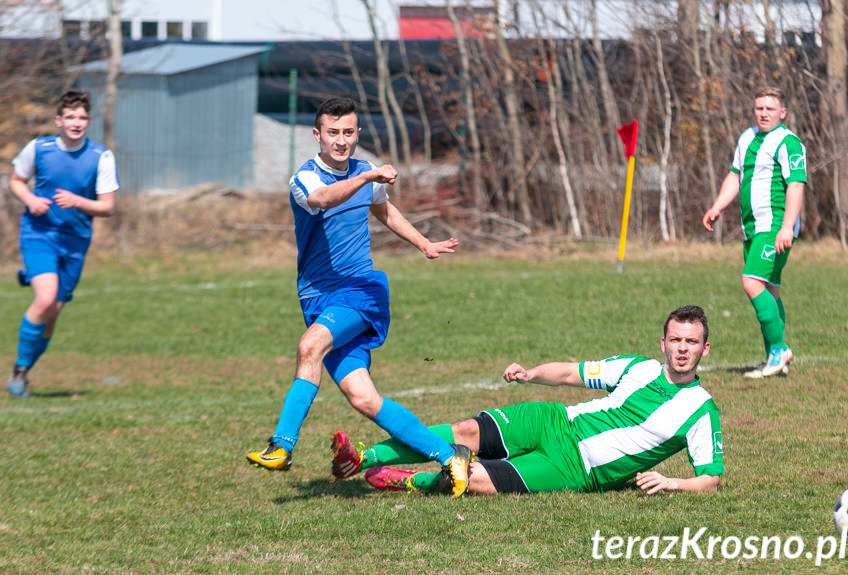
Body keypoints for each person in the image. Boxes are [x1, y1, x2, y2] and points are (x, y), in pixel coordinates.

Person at [245, 97, 473, 497]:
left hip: (360, 292)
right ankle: (449, 457)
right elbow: (325, 199)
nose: (341, 140)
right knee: (364, 398)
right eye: (333, 133)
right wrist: (367, 179)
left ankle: (281, 447)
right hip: (318, 297)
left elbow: (385, 211)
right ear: (317, 135)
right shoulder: (306, 179)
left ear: (357, 134)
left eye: (348, 132)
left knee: (309, 346)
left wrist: (424, 243)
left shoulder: (365, 173)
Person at [329, 305, 724, 496]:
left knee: (471, 479)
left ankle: (412, 480)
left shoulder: (701, 409)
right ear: (664, 342)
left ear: (704, 349)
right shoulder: (637, 367)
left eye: (691, 342)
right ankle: (364, 457)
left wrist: (670, 482)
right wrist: (532, 373)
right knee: (466, 431)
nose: (682, 349)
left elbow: (711, 478)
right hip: (553, 420)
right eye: (676, 340)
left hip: (573, 468)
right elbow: (572, 372)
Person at [6, 90, 119, 398]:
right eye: (70, 116)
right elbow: (16, 180)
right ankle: (16, 371)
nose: (76, 122)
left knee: (52, 311)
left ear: (89, 121)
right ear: (58, 120)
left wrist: (78, 201)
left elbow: (107, 207)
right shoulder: (38, 148)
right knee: (44, 300)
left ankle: (24, 369)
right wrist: (30, 199)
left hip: (75, 242)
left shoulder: (101, 157)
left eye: (82, 117)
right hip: (39, 234)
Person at [702, 86, 806, 378]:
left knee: (751, 282)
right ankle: (777, 358)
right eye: (759, 108)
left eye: (770, 109)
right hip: (752, 228)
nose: (763, 113)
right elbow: (736, 175)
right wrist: (717, 206)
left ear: (782, 113)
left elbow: (796, 185)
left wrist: (786, 227)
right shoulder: (747, 138)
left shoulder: (789, 143)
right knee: (770, 290)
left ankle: (778, 350)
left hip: (774, 227)